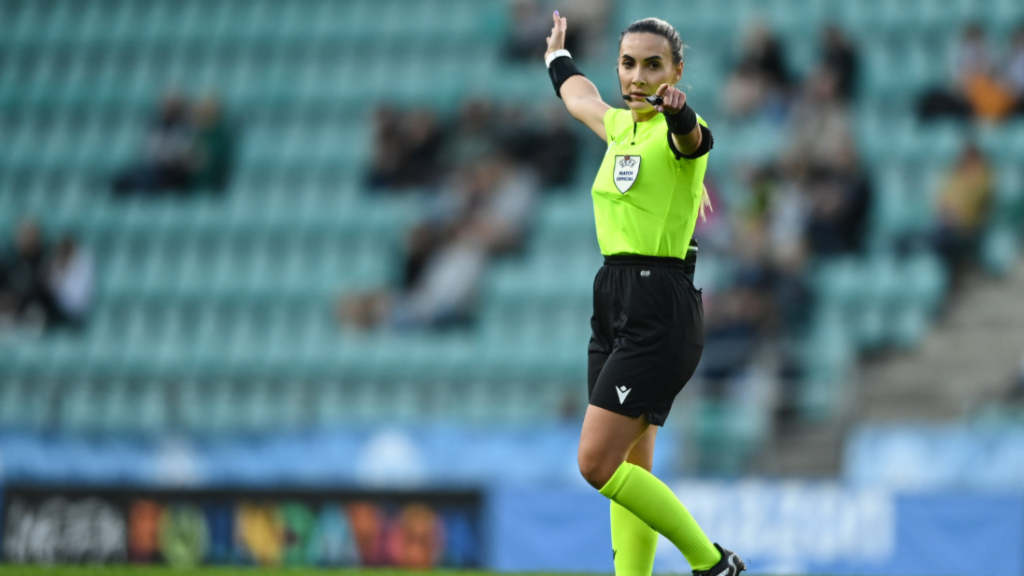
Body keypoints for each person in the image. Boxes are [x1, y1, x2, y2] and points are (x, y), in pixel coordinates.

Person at [544, 13, 744, 576]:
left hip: (659, 307)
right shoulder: (619, 128)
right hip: (613, 300)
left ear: (675, 71)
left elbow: (693, 136)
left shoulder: (680, 131)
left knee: (595, 462)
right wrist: (556, 58)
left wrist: (678, 109)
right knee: (631, 466)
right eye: (628, 64)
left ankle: (711, 563)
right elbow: (578, 96)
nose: (638, 76)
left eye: (653, 65)